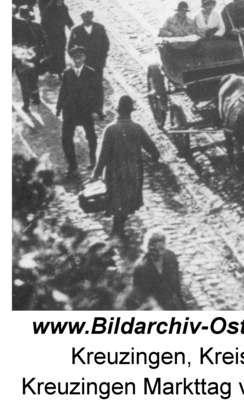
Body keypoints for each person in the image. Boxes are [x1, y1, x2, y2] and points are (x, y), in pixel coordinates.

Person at [93, 95, 160, 238]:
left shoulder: (110, 129)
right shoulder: (137, 128)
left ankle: (117, 228)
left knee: (116, 197)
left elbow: (103, 155)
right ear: (131, 111)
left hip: (114, 171)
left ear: (118, 111)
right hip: (133, 170)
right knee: (128, 197)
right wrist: (155, 156)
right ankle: (119, 226)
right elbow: (150, 147)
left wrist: (96, 173)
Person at [56, 46, 100, 172]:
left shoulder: (91, 73)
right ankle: (72, 165)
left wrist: (96, 110)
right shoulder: (67, 73)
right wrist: (59, 108)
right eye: (75, 57)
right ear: (72, 58)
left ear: (84, 58)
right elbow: (63, 91)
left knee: (91, 136)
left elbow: (98, 92)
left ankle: (93, 159)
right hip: (70, 111)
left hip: (86, 111)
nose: (77, 59)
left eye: (80, 57)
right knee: (66, 138)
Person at [130, 229, 186, 310]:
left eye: (162, 249)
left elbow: (177, 284)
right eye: (157, 250)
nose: (160, 254)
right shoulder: (141, 267)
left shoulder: (171, 258)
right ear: (149, 249)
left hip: (169, 304)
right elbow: (139, 294)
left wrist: (182, 305)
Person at [68, 11, 110, 116]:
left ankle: (98, 109)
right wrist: (76, 59)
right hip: (83, 63)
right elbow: (70, 47)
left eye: (89, 17)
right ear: (82, 18)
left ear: (92, 17)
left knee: (98, 86)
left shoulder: (99, 28)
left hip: (97, 62)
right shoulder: (76, 30)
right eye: (85, 17)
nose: (88, 19)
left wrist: (103, 57)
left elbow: (106, 43)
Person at [12, 6, 48, 112]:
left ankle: (27, 104)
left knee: (26, 80)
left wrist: (28, 52)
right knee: (29, 80)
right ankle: (32, 100)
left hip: (23, 57)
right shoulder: (26, 23)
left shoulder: (23, 23)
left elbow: (34, 39)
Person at [40, 0, 74, 76]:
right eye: (58, 2)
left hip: (60, 34)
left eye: (61, 2)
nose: (60, 3)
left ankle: (60, 69)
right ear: (54, 2)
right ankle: (52, 69)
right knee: (52, 51)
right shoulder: (48, 10)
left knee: (61, 51)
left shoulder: (64, 8)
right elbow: (43, 23)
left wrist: (71, 26)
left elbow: (67, 18)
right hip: (50, 35)